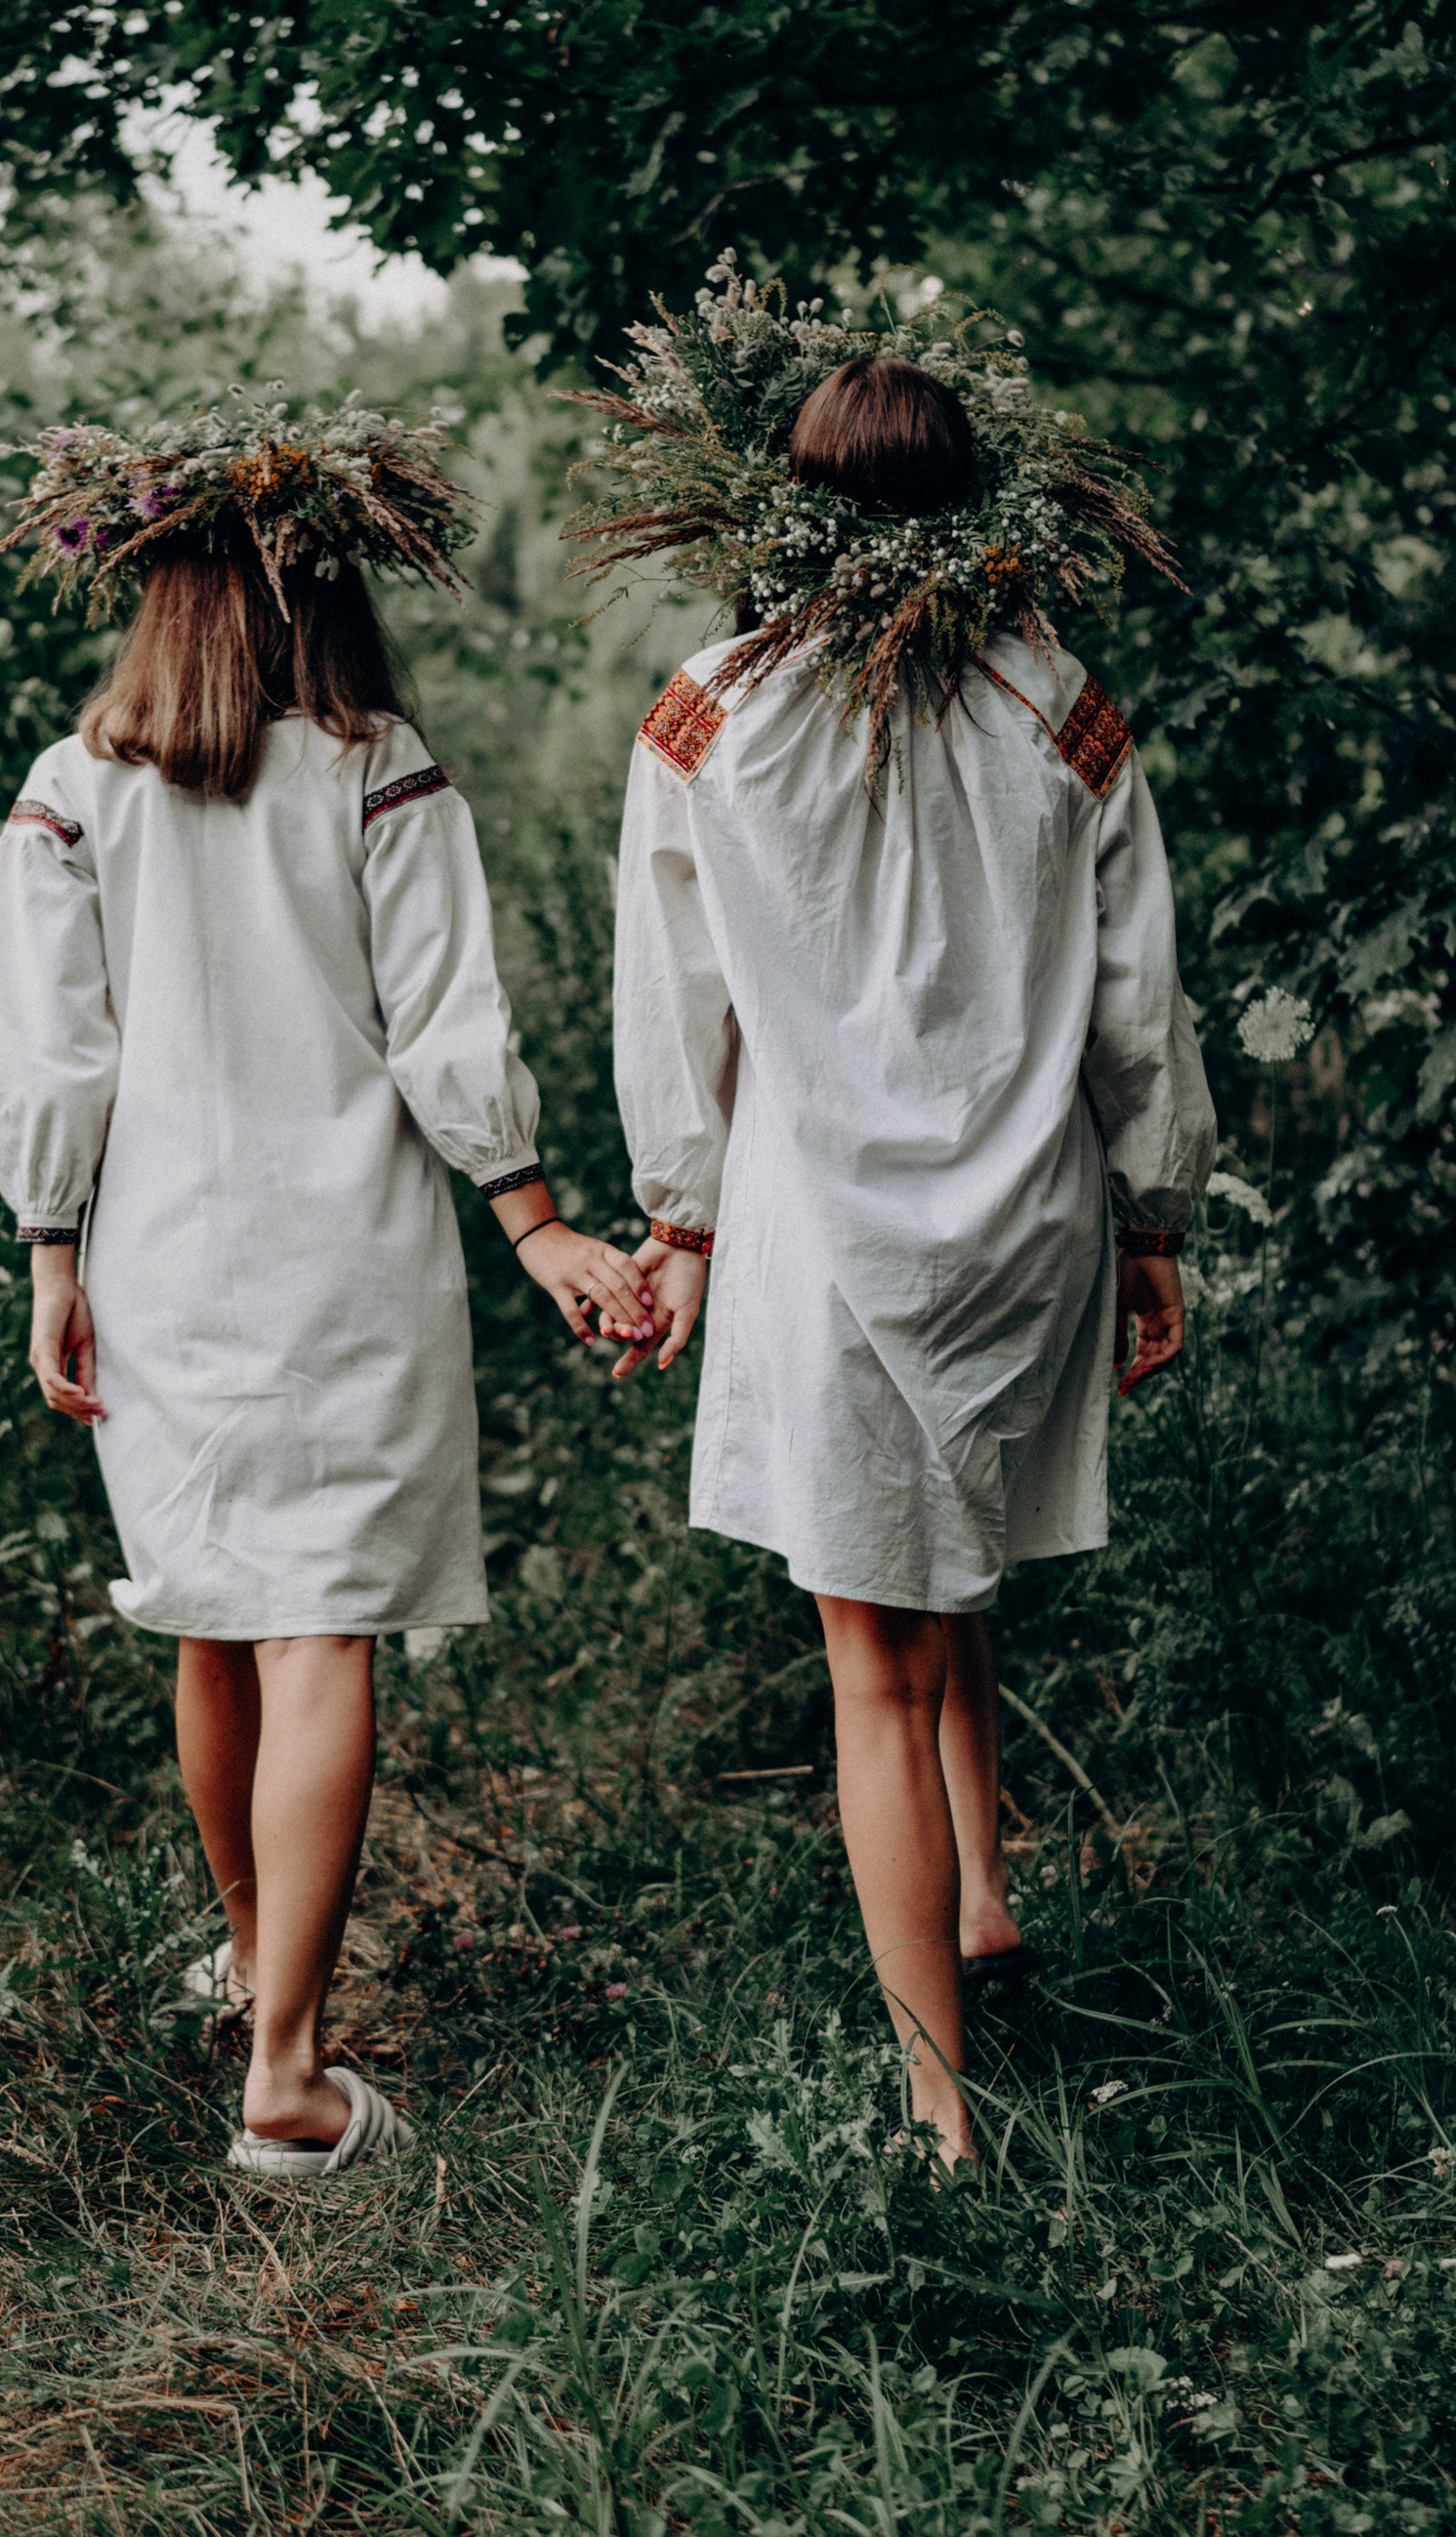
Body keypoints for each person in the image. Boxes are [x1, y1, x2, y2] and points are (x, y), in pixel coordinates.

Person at [0, 398, 650, 2182]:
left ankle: (251, 1954)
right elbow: (447, 1026)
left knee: (215, 1614)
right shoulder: (375, 765)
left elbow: (48, 1052)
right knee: (317, 1627)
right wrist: (533, 1222)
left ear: (156, 589)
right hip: (344, 1255)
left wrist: (54, 1250)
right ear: (324, 590)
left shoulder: (72, 787)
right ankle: (286, 2069)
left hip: (158, 1256)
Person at [588, 274, 1214, 2167]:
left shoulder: (710, 712)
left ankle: (938, 2108)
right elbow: (1139, 994)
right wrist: (1153, 1217)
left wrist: (677, 1221)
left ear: (780, 501)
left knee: (875, 1659)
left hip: (818, 1232)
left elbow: (671, 1005)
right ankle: (985, 1902)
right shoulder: (1063, 708)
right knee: (953, 1572)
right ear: (975, 498)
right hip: (1024, 1218)